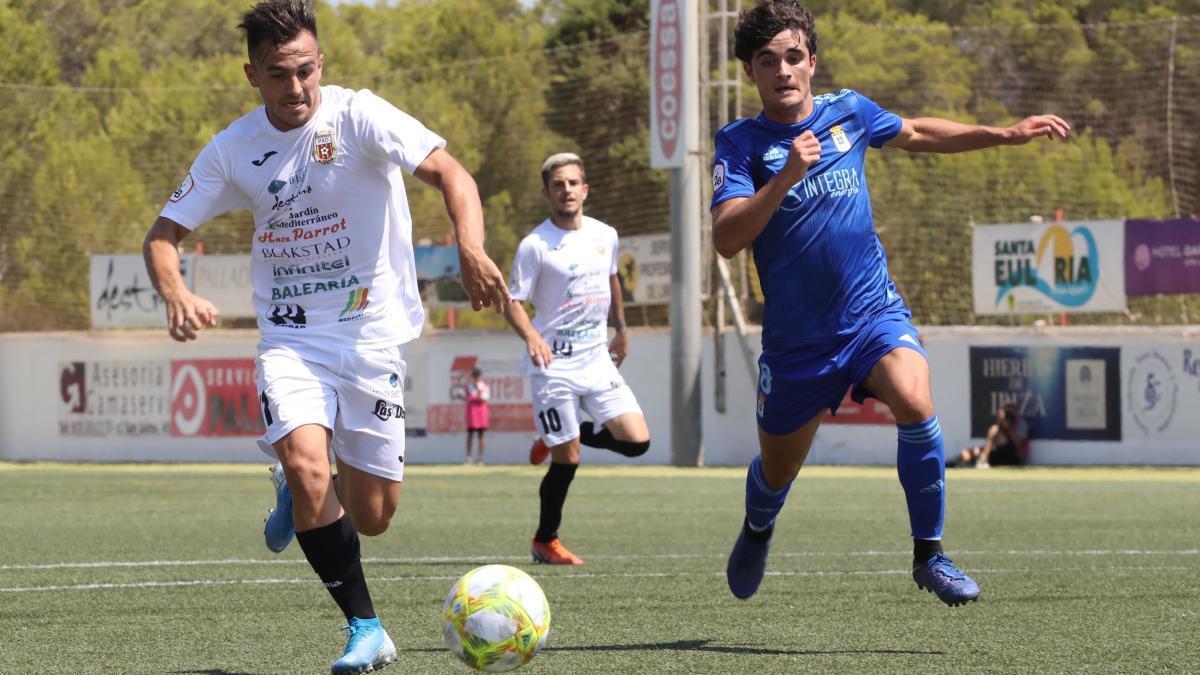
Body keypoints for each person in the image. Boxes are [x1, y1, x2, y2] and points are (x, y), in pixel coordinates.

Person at [141, 1, 509, 672]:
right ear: (253, 74)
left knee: (372, 515)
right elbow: (163, 234)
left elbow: (451, 173)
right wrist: (176, 292)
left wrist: (470, 245)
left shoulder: (360, 115)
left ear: (321, 63)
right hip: (292, 339)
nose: (296, 87)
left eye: (306, 70)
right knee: (312, 469)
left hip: (371, 336)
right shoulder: (233, 147)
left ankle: (299, 488)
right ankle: (364, 625)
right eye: (279, 74)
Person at [712, 0, 1069, 606]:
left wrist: (1003, 134)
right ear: (750, 73)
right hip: (798, 344)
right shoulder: (739, 143)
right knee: (777, 472)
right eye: (767, 60)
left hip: (872, 315)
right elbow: (725, 238)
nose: (783, 70)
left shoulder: (848, 111)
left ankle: (929, 553)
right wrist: (783, 179)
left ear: (812, 62)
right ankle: (759, 524)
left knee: (913, 398)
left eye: (793, 57)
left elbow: (919, 132)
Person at [503, 152, 652, 565]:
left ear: (584, 190)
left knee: (637, 442)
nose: (566, 190)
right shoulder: (535, 246)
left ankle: (553, 436)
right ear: (547, 193)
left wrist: (621, 329)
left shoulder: (605, 234)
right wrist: (532, 335)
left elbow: (611, 280)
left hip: (596, 359)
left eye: (573, 183)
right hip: (554, 367)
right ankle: (545, 540)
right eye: (558, 185)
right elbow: (511, 302)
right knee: (568, 460)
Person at [949, 403, 1028, 468]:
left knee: (994, 430)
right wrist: (1001, 421)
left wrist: (1008, 428)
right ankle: (954, 464)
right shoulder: (1000, 425)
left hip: (1014, 456)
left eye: (1009, 412)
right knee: (970, 451)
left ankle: (982, 460)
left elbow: (1018, 444)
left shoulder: (1020, 423)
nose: (1008, 415)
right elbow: (995, 440)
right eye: (1005, 412)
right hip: (999, 453)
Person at [462, 367, 490, 464]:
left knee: (481, 435)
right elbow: (465, 397)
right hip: (472, 413)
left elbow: (484, 398)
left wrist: (478, 391)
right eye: (475, 376)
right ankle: (468, 457)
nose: (476, 378)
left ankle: (480, 457)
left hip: (481, 413)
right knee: (470, 434)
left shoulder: (484, 386)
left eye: (478, 376)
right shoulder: (468, 386)